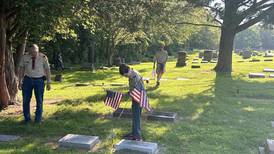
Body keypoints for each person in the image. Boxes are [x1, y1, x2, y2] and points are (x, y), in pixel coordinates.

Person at [18, 44, 51, 124]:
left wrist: (49, 82)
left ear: (38, 50)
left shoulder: (43, 57)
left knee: (39, 100)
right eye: (31, 52)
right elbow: (21, 69)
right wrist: (20, 81)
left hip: (39, 81)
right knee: (26, 100)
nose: (33, 53)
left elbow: (47, 70)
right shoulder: (25, 57)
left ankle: (38, 119)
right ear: (29, 51)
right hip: (27, 80)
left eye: (35, 52)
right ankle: (27, 119)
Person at [119, 63, 144, 141]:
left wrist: (125, 95)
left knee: (136, 117)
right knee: (135, 116)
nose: (126, 77)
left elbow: (135, 91)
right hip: (137, 97)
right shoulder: (132, 73)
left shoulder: (134, 77)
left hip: (138, 98)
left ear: (128, 71)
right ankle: (134, 133)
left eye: (126, 75)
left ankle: (137, 136)